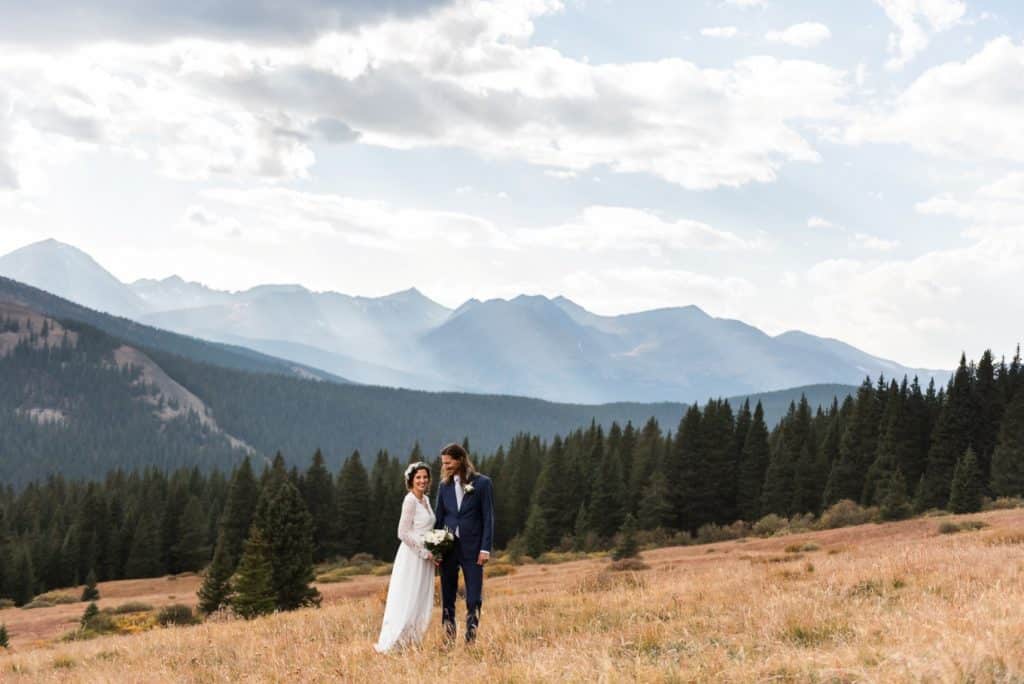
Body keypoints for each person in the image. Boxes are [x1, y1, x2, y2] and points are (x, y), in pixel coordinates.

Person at [434, 442, 495, 644]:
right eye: (443, 463)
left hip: (474, 549)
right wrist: (437, 550)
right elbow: (439, 519)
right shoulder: (444, 486)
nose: (445, 467)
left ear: (460, 460)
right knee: (448, 596)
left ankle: (471, 637)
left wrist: (485, 549)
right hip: (449, 549)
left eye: (448, 463)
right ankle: (449, 637)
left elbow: (488, 518)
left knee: (474, 597)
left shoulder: (483, 483)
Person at [374, 462, 436, 653]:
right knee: (407, 596)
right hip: (412, 557)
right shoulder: (410, 501)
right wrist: (423, 552)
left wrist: (435, 547)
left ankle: (413, 641)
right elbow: (402, 532)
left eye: (425, 477)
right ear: (411, 480)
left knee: (420, 597)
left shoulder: (425, 499)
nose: (422, 480)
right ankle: (395, 643)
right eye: (418, 477)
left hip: (427, 556)